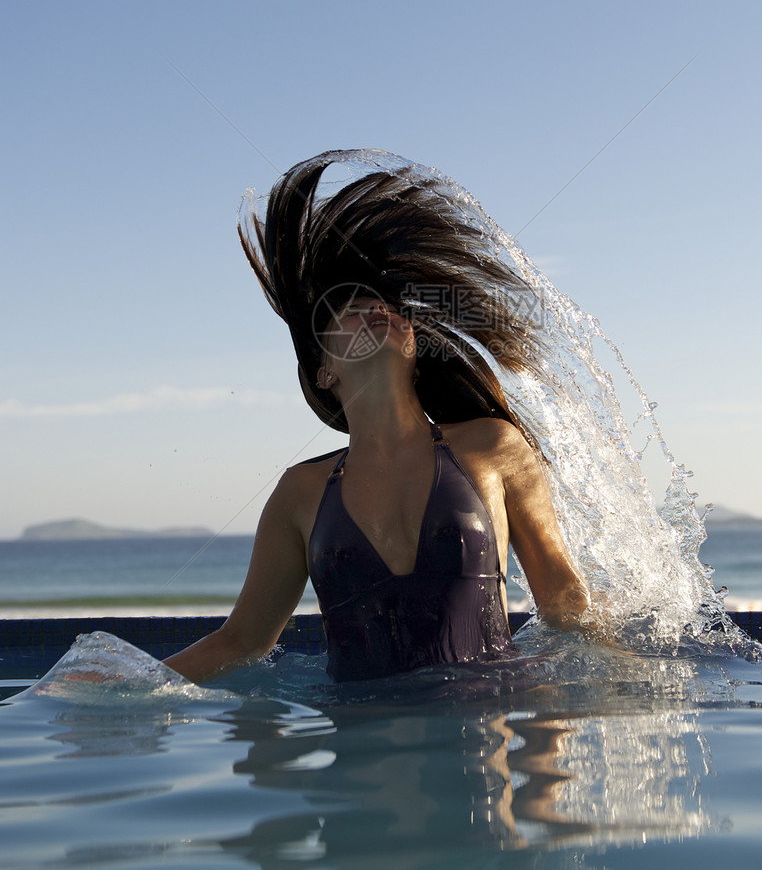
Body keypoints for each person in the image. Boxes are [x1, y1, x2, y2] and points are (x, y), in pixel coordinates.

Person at [166, 151, 590, 683]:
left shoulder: (492, 446)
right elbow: (243, 640)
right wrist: (131, 685)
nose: (373, 310)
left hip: (483, 730)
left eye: (387, 305)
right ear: (324, 372)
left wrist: (551, 754)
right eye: (346, 309)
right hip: (359, 746)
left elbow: (564, 599)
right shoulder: (299, 492)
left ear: (413, 344)